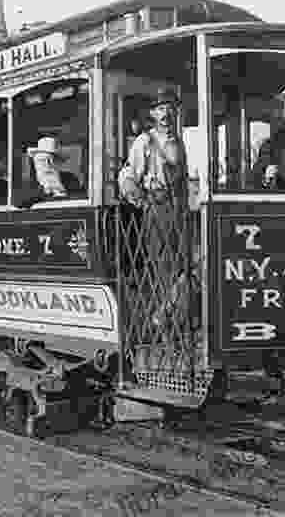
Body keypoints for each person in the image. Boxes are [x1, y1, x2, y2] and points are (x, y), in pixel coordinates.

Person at [118, 88, 194, 369]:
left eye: (170, 107)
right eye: (160, 108)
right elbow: (127, 176)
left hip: (180, 212)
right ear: (152, 114)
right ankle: (167, 338)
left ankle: (167, 322)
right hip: (159, 213)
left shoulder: (179, 142)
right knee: (164, 273)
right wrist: (140, 198)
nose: (166, 113)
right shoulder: (145, 141)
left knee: (185, 271)